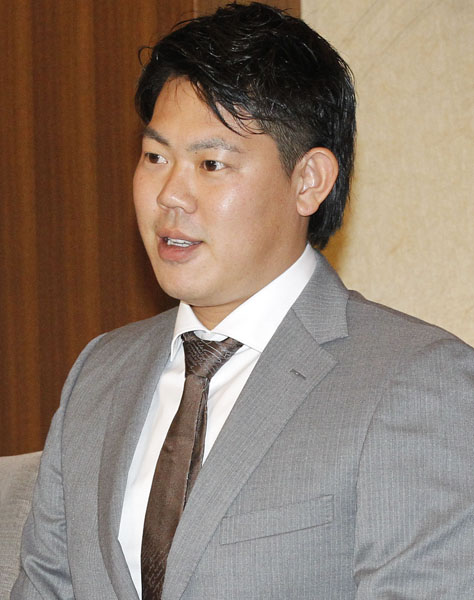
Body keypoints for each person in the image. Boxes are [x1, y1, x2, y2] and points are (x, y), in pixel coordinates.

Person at [12, 3, 474, 599]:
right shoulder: (99, 375)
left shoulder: (414, 380)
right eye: (155, 157)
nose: (170, 195)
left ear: (309, 180)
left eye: (211, 164)